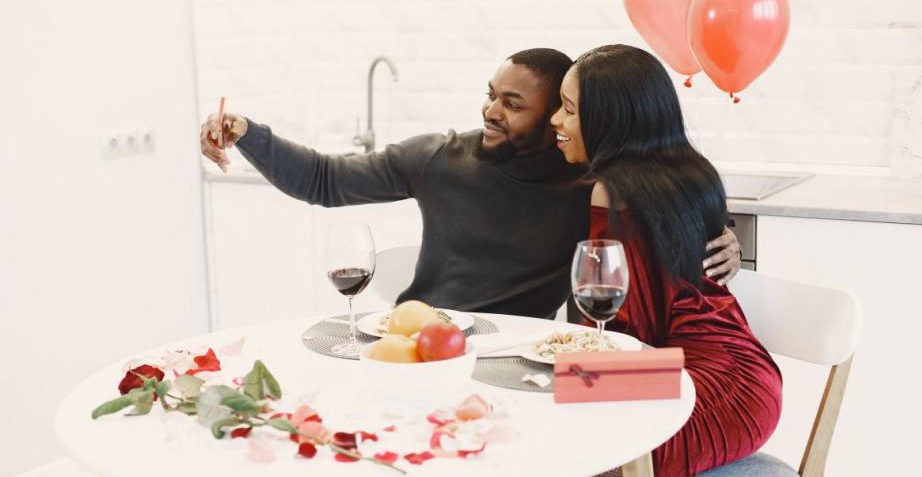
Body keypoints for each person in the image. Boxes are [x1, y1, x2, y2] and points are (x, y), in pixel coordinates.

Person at [199, 48, 741, 320]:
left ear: (560, 116)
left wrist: (722, 239)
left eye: (512, 104)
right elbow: (324, 179)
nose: (489, 111)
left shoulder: (590, 186)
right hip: (417, 340)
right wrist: (248, 133)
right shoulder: (439, 156)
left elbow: (668, 216)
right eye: (490, 94)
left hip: (514, 360)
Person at [550, 44, 782, 476]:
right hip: (747, 378)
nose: (555, 121)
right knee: (548, 394)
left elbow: (625, 330)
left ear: (610, 119)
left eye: (568, 110)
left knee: (552, 422)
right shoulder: (692, 171)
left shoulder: (614, 191)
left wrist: (573, 370)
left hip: (701, 389)